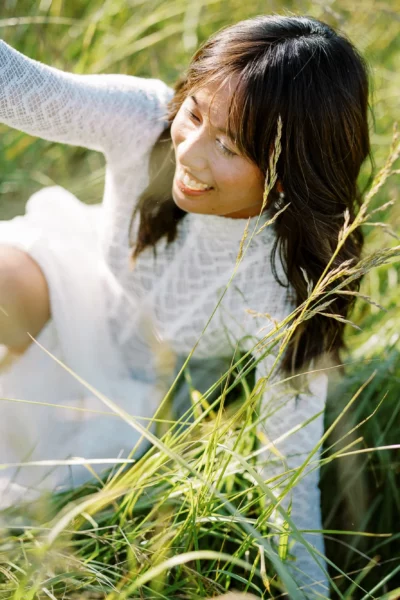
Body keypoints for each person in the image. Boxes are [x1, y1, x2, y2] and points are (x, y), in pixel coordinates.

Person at [0, 14, 370, 598]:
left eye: (227, 145)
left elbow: (288, 488)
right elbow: (21, 88)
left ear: (288, 171)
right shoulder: (146, 120)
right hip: (75, 288)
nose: (190, 154)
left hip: (133, 390)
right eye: (195, 114)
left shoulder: (287, 291)